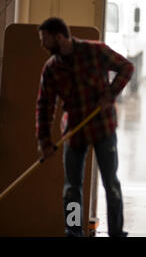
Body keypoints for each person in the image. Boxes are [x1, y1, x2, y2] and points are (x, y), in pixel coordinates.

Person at [36, 17, 133, 237]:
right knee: (72, 187)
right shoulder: (51, 68)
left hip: (102, 125)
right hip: (74, 129)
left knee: (111, 183)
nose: (42, 45)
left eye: (45, 39)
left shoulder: (95, 51)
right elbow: (44, 106)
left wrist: (110, 94)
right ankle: (73, 231)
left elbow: (126, 67)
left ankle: (116, 232)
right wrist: (44, 141)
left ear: (59, 37)